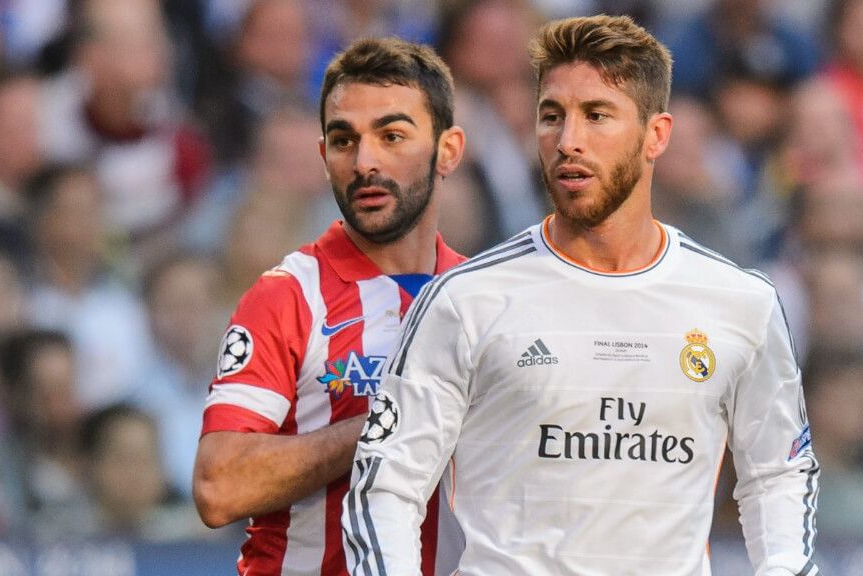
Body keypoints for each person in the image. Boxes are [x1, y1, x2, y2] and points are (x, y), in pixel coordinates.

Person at [343, 15, 820, 576]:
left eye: (597, 116)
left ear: (656, 135)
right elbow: (386, 483)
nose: (568, 141)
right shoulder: (466, 300)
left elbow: (779, 474)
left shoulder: (740, 303)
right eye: (551, 117)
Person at [192, 37, 467, 575]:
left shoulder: (485, 299)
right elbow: (219, 486)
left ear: (449, 150)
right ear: (324, 157)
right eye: (344, 140)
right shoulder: (288, 295)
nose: (365, 161)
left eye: (392, 136)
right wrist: (387, 424)